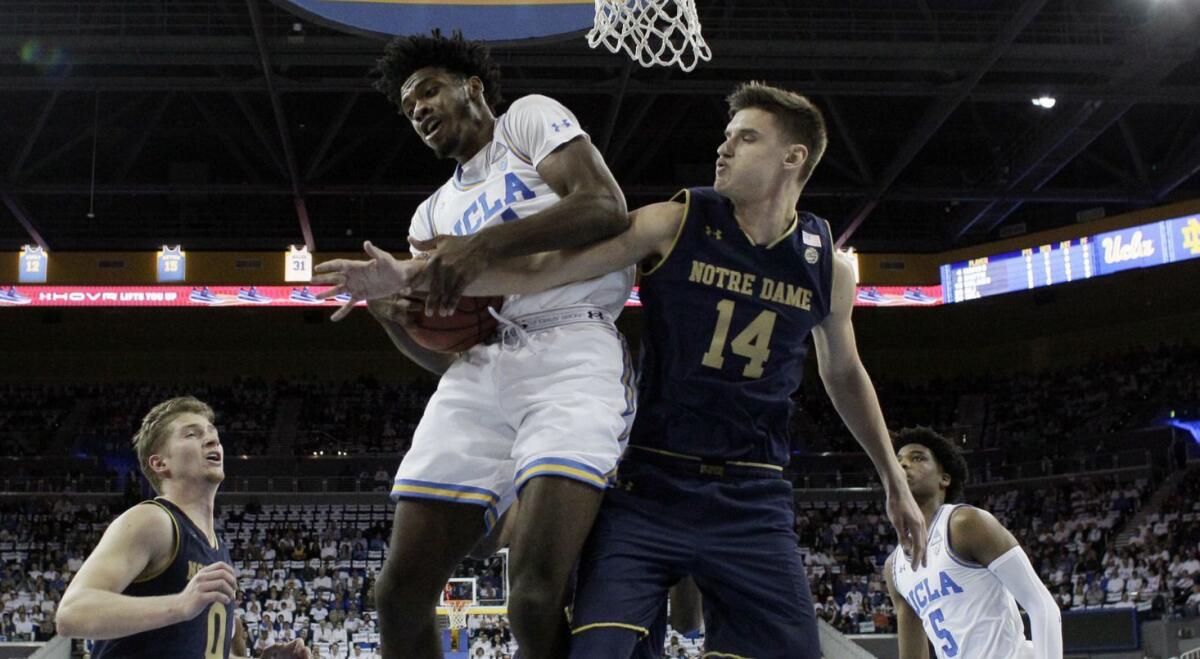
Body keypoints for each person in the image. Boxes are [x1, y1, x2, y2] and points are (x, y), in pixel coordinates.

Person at [318, 81, 926, 658]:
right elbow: (543, 274)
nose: (723, 145)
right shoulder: (676, 220)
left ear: (793, 157)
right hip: (653, 480)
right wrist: (411, 276)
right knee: (590, 640)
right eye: (726, 133)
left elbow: (844, 373)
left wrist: (893, 481)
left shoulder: (829, 268)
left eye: (745, 137)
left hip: (753, 491)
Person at [316, 30, 634, 659]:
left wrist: (484, 245)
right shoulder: (428, 218)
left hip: (572, 346)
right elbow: (445, 356)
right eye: (409, 109)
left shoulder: (526, 123)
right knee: (397, 595)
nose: (420, 111)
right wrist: (391, 318)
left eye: (428, 92)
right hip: (482, 368)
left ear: (473, 88)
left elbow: (605, 207)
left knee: (534, 600)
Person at [55, 396, 309, 659]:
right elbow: (72, 612)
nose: (212, 440)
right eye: (192, 434)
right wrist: (179, 604)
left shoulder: (216, 547)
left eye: (213, 434)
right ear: (160, 463)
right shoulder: (154, 520)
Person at [885, 426, 1062, 658]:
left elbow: (1041, 604)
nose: (904, 465)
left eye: (917, 458)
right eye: (898, 461)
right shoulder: (894, 568)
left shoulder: (965, 524)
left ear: (944, 478)